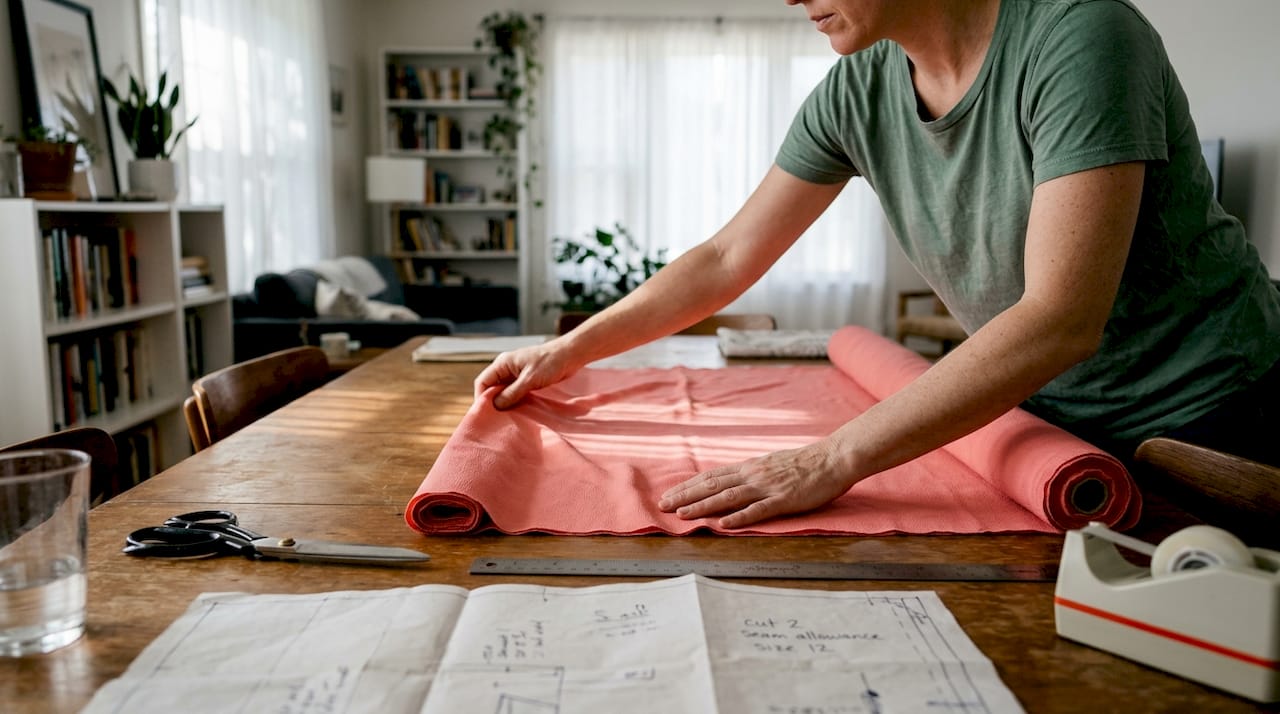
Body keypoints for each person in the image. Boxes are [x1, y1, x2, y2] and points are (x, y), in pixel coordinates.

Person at [475, 0, 1280, 530]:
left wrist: (830, 457)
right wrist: (565, 351)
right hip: (1055, 430)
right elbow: (725, 257)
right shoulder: (854, 90)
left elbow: (1059, 317)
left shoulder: (1083, 36)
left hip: (1219, 417)